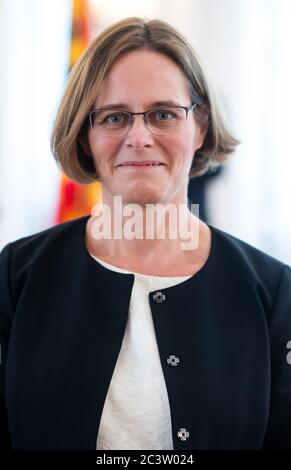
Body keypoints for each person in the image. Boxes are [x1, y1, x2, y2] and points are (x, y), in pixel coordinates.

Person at [0, 17, 291, 452]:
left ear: (202, 126)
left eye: (163, 114)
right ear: (85, 136)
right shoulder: (15, 277)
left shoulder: (274, 292)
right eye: (115, 117)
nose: (139, 137)